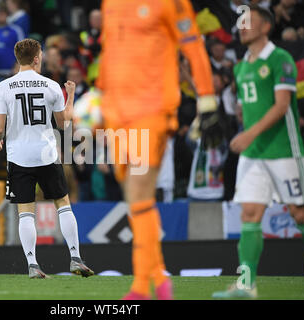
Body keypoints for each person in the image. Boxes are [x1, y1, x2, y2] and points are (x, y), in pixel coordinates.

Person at [99, 0, 223, 300]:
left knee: (140, 192)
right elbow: (110, 54)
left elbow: (193, 46)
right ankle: (160, 279)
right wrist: (100, 102)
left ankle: (141, 288)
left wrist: (206, 99)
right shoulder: (110, 4)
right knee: (134, 199)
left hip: (152, 108)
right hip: (117, 113)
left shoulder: (172, 3)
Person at [212, 5, 304, 300]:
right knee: (249, 214)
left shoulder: (280, 58)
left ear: (265, 27)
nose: (242, 26)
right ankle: (246, 284)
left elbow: (282, 105)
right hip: (255, 153)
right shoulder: (242, 65)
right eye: (241, 22)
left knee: (300, 214)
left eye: (249, 22)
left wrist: (248, 133)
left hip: (284, 150)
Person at [0, 38, 94, 279]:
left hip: (18, 157)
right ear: (37, 58)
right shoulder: (50, 86)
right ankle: (75, 257)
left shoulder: (3, 87)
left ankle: (32, 264)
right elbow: (64, 124)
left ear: (18, 59)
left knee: (26, 212)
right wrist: (70, 96)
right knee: (63, 204)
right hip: (46, 154)